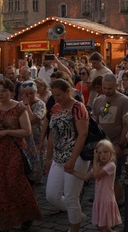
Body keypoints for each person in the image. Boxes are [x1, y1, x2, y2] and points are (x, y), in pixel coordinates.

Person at [0, 79, 41, 230]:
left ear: (11, 92)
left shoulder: (19, 108)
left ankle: (27, 214)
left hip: (15, 149)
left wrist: (7, 132)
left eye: (4, 91)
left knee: (14, 182)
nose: (0, 94)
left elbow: (27, 131)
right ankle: (6, 222)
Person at [44, 79, 89, 232]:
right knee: (52, 195)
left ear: (67, 92)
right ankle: (76, 214)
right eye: (54, 95)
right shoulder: (55, 108)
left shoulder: (78, 107)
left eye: (59, 95)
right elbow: (52, 134)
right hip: (58, 157)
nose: (57, 99)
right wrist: (48, 158)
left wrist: (72, 159)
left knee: (71, 196)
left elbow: (83, 134)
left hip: (75, 157)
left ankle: (74, 227)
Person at [92, 74, 128, 204]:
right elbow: (96, 121)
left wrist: (121, 145)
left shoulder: (124, 101)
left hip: (116, 143)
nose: (106, 91)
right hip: (102, 145)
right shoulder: (98, 100)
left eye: (110, 88)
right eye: (104, 88)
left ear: (116, 86)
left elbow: (127, 124)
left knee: (114, 176)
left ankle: (117, 201)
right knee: (101, 175)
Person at [75, 139, 122, 232]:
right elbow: (85, 177)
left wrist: (95, 160)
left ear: (111, 153)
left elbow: (96, 174)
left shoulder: (111, 166)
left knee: (103, 227)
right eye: (99, 153)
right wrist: (71, 171)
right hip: (99, 200)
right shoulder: (98, 166)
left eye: (105, 152)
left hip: (106, 200)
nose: (102, 155)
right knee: (100, 226)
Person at [21, 81, 47, 185]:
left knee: (37, 161)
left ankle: (36, 181)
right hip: (25, 139)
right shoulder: (20, 104)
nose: (28, 96)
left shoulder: (40, 104)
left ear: (35, 93)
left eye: (31, 93)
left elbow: (32, 119)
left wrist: (26, 105)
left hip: (37, 138)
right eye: (26, 94)